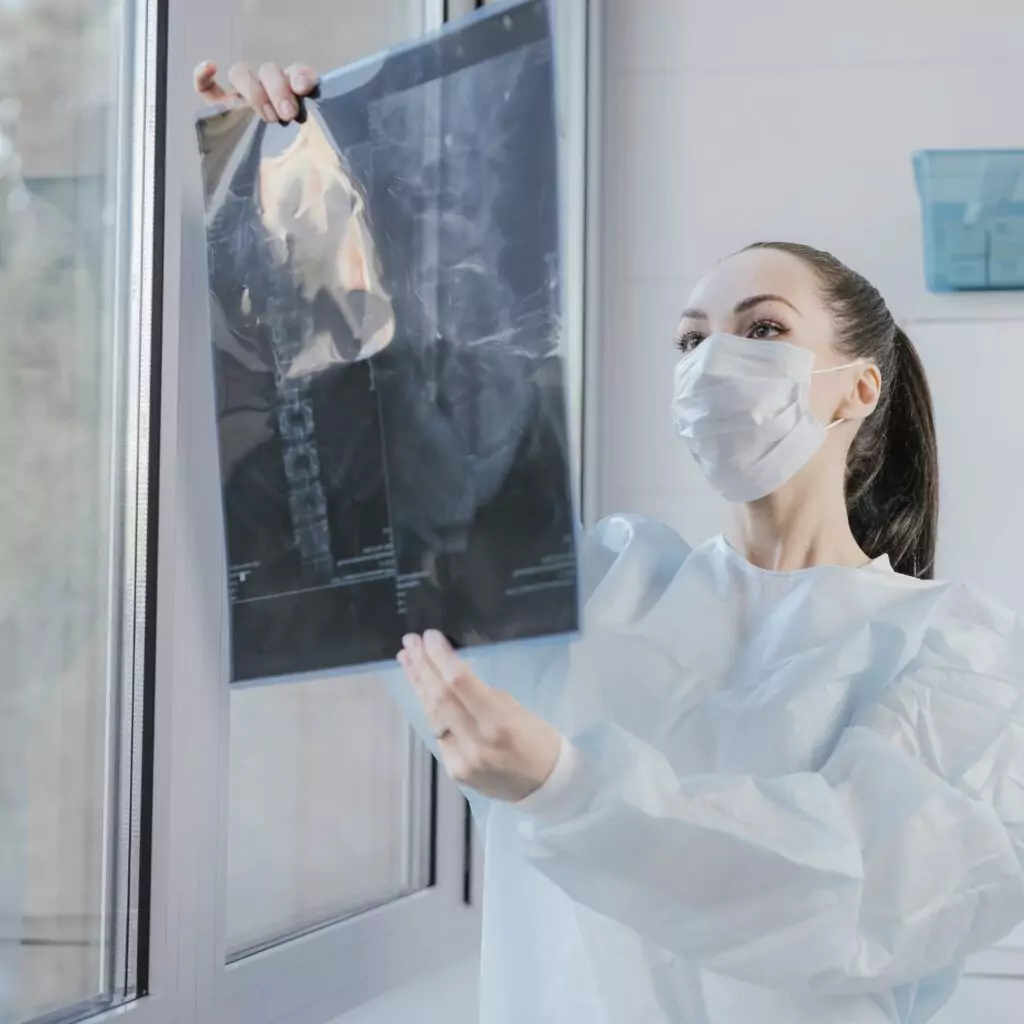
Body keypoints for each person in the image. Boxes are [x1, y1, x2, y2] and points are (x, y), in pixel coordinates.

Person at [196, 62, 1024, 1024]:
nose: (713, 362)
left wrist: (568, 787)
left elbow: (854, 892)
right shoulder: (603, 585)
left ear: (856, 388)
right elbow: (359, 501)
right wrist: (272, 161)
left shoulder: (953, 652)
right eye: (688, 340)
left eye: (761, 329)